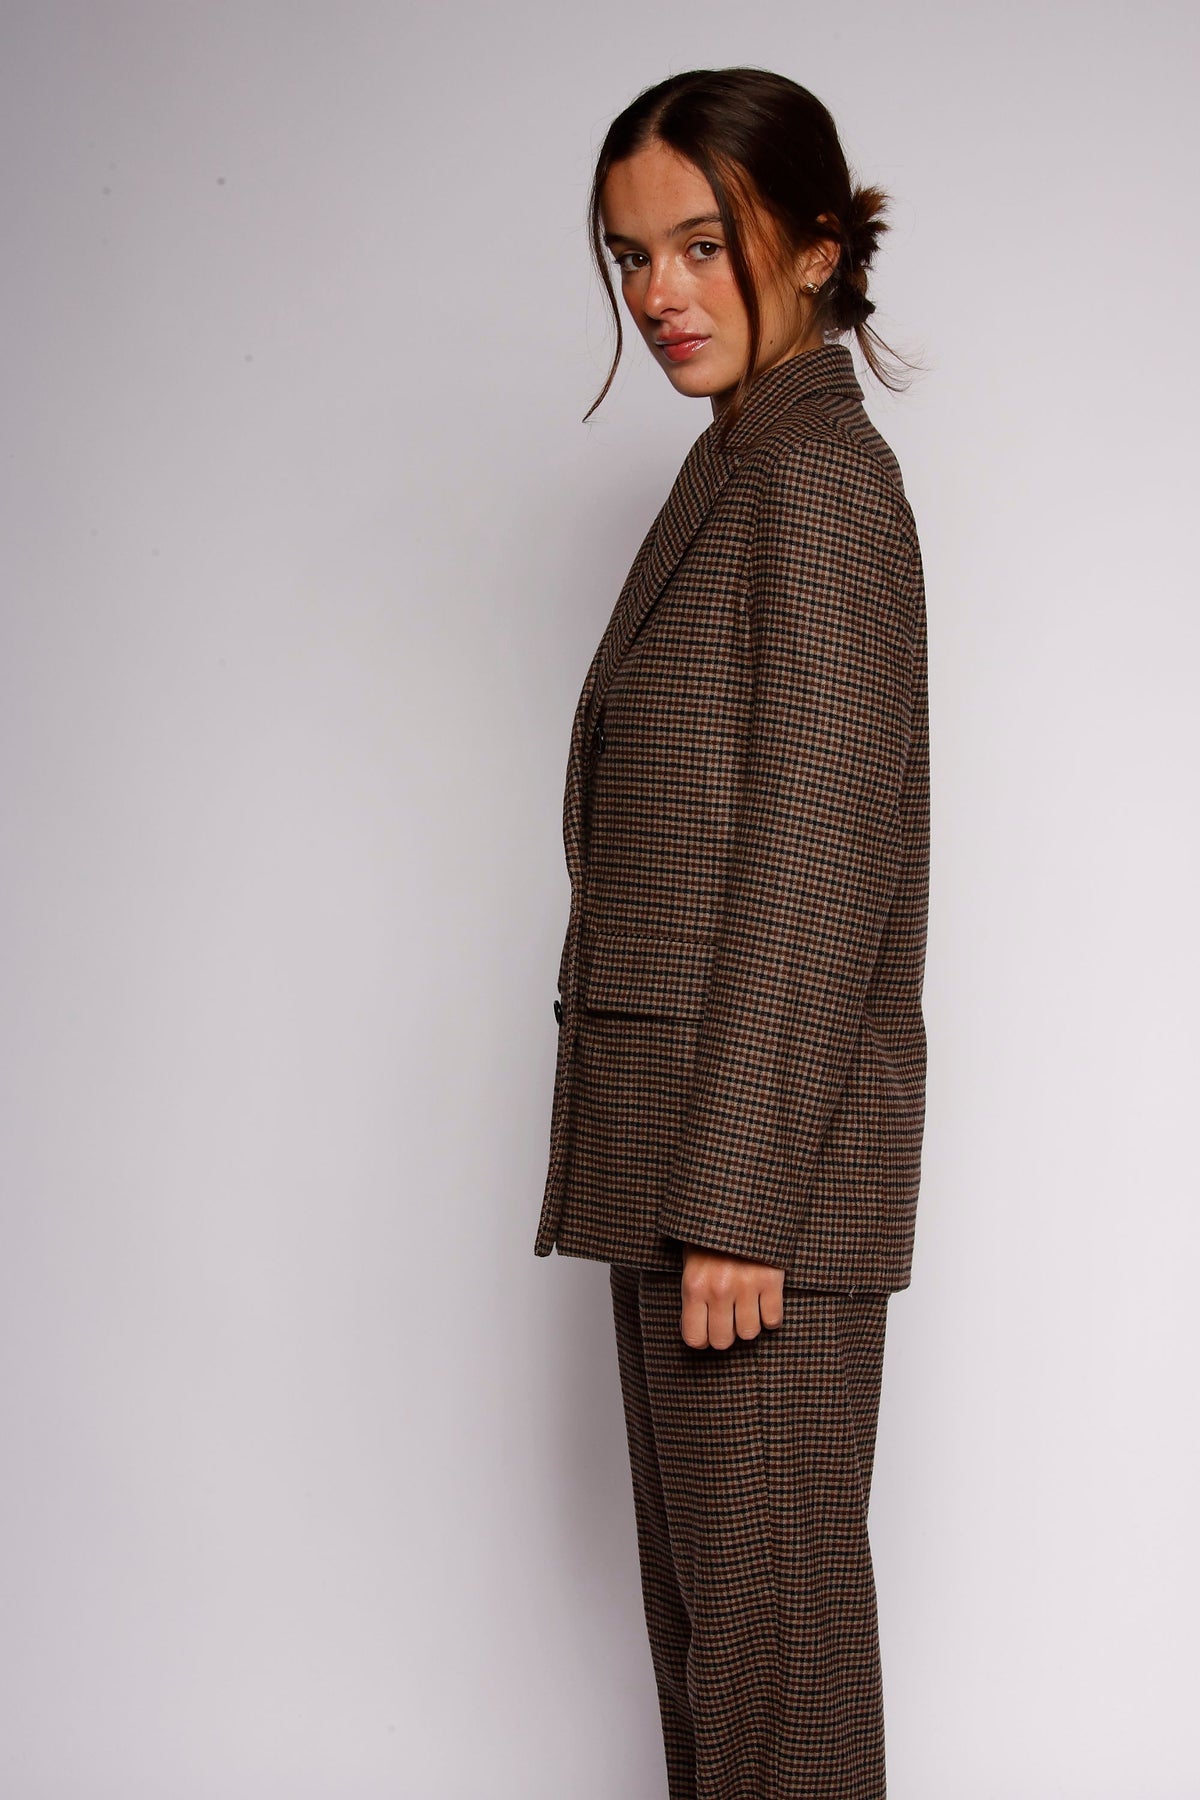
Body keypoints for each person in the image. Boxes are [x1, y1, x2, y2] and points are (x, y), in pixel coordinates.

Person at [533, 66, 930, 1800]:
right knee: (727, 1688)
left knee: (776, 1698)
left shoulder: (817, 479)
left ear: (820, 247)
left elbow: (819, 855)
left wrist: (741, 1204)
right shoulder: (743, 467)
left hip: (751, 1200)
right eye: (632, 255)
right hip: (691, 1173)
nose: (661, 293)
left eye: (705, 243)